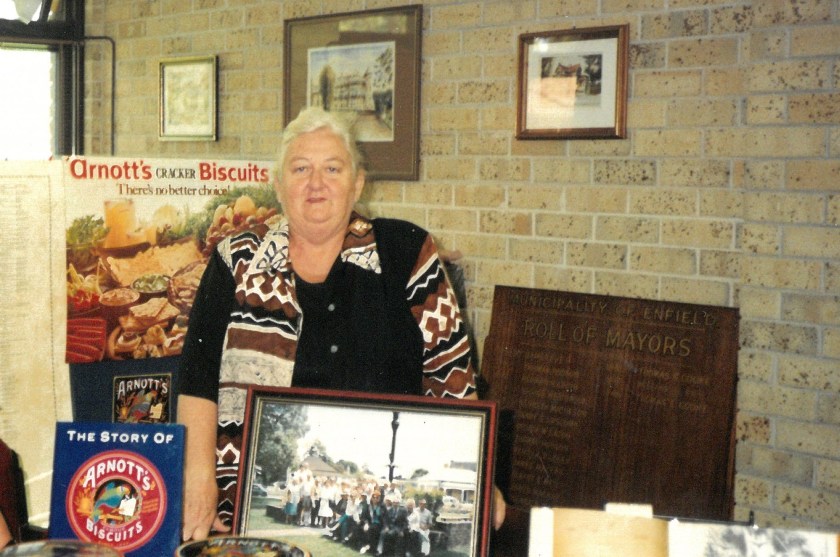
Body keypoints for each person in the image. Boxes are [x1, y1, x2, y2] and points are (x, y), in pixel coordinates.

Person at [177, 106, 498, 542]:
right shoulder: (235, 259)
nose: (316, 183)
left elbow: (453, 380)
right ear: (277, 184)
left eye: (333, 167)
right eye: (300, 168)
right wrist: (198, 479)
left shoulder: (407, 252)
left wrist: (480, 476)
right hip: (237, 513)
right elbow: (196, 381)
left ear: (357, 184)